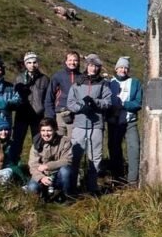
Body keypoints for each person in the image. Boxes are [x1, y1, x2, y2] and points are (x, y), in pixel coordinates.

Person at [67, 53, 112, 195]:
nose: (93, 68)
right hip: (79, 124)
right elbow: (70, 102)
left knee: (96, 157)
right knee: (75, 156)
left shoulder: (103, 83)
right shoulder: (78, 82)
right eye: (91, 65)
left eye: (96, 66)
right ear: (87, 66)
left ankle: (92, 187)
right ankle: (72, 187)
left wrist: (95, 103)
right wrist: (81, 107)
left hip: (96, 125)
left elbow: (108, 102)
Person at [107, 57, 143, 186]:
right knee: (114, 149)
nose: (123, 70)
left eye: (126, 68)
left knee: (134, 148)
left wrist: (122, 103)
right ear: (116, 69)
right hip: (114, 123)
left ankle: (133, 180)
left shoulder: (135, 83)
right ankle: (117, 179)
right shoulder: (109, 83)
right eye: (121, 67)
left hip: (130, 122)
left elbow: (138, 103)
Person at [12, 51, 50, 163]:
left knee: (39, 143)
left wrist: (46, 116)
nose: (32, 65)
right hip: (21, 115)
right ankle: (14, 168)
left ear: (38, 63)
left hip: (38, 117)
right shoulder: (18, 79)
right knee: (16, 143)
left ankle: (38, 168)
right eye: (29, 62)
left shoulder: (45, 79)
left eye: (34, 62)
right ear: (25, 64)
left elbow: (48, 100)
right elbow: (13, 97)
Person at [24, 117, 73, 200]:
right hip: (42, 175)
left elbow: (68, 160)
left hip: (58, 175)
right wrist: (41, 178)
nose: (46, 134)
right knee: (32, 188)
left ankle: (66, 197)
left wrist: (48, 166)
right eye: (43, 131)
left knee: (66, 171)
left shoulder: (65, 141)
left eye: (49, 130)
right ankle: (43, 196)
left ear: (55, 130)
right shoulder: (36, 144)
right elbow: (33, 165)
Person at [44, 51, 81, 138]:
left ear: (78, 62)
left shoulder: (82, 77)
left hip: (76, 115)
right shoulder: (57, 76)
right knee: (59, 143)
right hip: (60, 115)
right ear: (66, 61)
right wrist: (50, 115)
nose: (72, 63)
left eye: (75, 60)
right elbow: (49, 96)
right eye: (70, 60)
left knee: (74, 143)